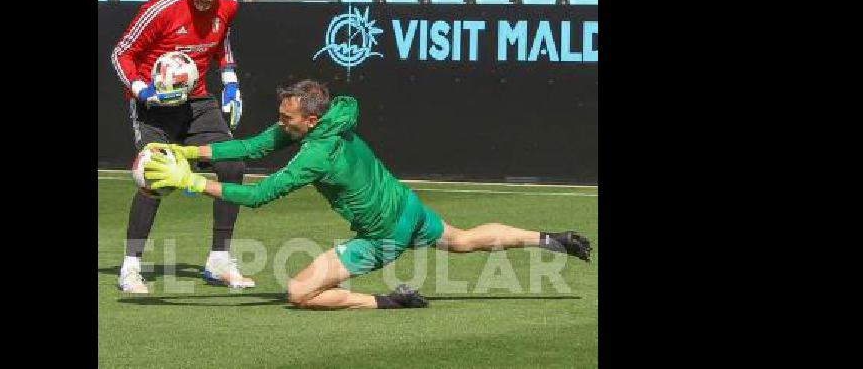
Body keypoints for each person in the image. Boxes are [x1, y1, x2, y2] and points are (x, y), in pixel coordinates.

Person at [140, 80, 592, 309]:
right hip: (407, 205)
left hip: (383, 236)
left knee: (298, 293)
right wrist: (189, 149)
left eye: (286, 117)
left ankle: (385, 301)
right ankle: (550, 238)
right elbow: (253, 146)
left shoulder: (315, 154)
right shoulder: (328, 118)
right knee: (465, 240)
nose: (280, 122)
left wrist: (191, 182)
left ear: (309, 120)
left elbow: (259, 197)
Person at [110, 0, 253, 293]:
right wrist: (141, 88)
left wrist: (231, 81)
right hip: (153, 105)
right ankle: (130, 268)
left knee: (232, 163)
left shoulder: (228, 5)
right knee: (154, 174)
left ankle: (219, 259)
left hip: (197, 101)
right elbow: (120, 53)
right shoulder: (163, 8)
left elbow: (222, 43)